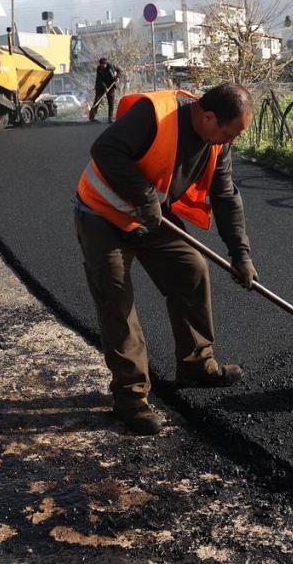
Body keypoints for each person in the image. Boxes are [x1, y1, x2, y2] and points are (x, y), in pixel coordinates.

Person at [74, 83, 259, 435]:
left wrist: (241, 254)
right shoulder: (155, 114)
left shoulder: (217, 144)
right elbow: (105, 148)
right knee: (117, 301)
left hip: (150, 214)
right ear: (208, 117)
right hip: (102, 215)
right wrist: (143, 197)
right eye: (229, 133)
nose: (230, 142)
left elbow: (225, 197)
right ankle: (131, 400)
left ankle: (196, 363)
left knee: (191, 270)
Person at [89, 58, 121, 122]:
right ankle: (92, 117)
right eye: (101, 65)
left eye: (104, 65)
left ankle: (110, 118)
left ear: (106, 64)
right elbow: (100, 80)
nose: (103, 66)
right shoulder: (99, 69)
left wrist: (117, 77)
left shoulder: (111, 66)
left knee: (111, 102)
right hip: (101, 86)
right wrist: (105, 87)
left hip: (111, 85)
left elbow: (119, 70)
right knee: (97, 101)